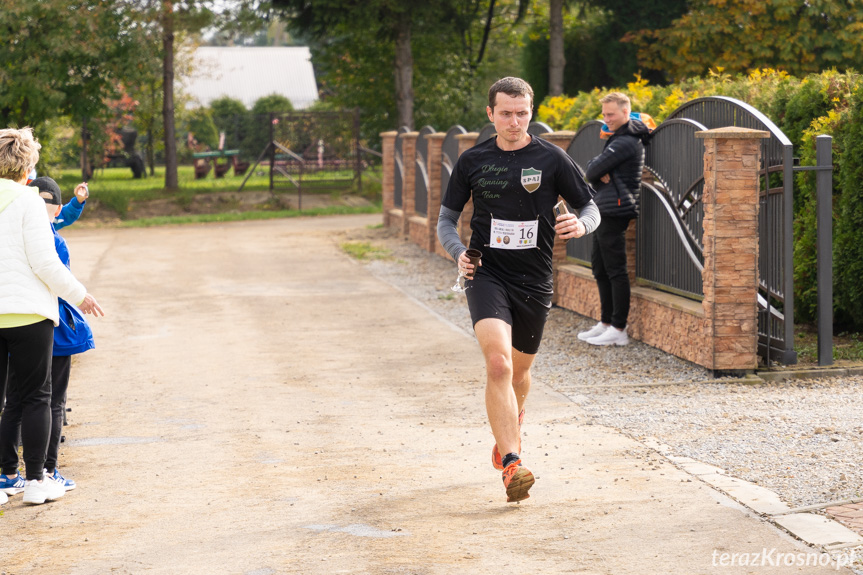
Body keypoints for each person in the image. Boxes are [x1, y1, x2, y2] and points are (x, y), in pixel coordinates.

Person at [437, 77, 600, 503]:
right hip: (486, 274)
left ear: (531, 111)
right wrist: (458, 252)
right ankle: (512, 464)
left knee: (521, 372)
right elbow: (445, 221)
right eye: (506, 113)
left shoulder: (551, 158)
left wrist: (582, 224)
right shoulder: (473, 162)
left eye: (522, 113)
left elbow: (589, 206)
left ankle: (511, 421)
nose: (514, 121)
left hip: (534, 279)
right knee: (498, 365)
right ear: (490, 114)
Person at [0, 127, 103, 506]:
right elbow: (45, 263)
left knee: (5, 401)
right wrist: (80, 295)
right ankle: (37, 481)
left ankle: (5, 477)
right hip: (28, 314)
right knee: (37, 397)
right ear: (27, 166)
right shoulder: (29, 201)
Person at [579, 92, 651, 347]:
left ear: (625, 112)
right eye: (604, 114)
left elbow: (592, 171)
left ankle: (619, 328)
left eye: (610, 114)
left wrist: (599, 172)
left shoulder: (626, 142)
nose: (606, 119)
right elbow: (593, 169)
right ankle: (606, 322)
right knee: (600, 267)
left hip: (615, 208)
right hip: (605, 208)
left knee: (615, 270)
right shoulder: (617, 139)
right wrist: (598, 172)